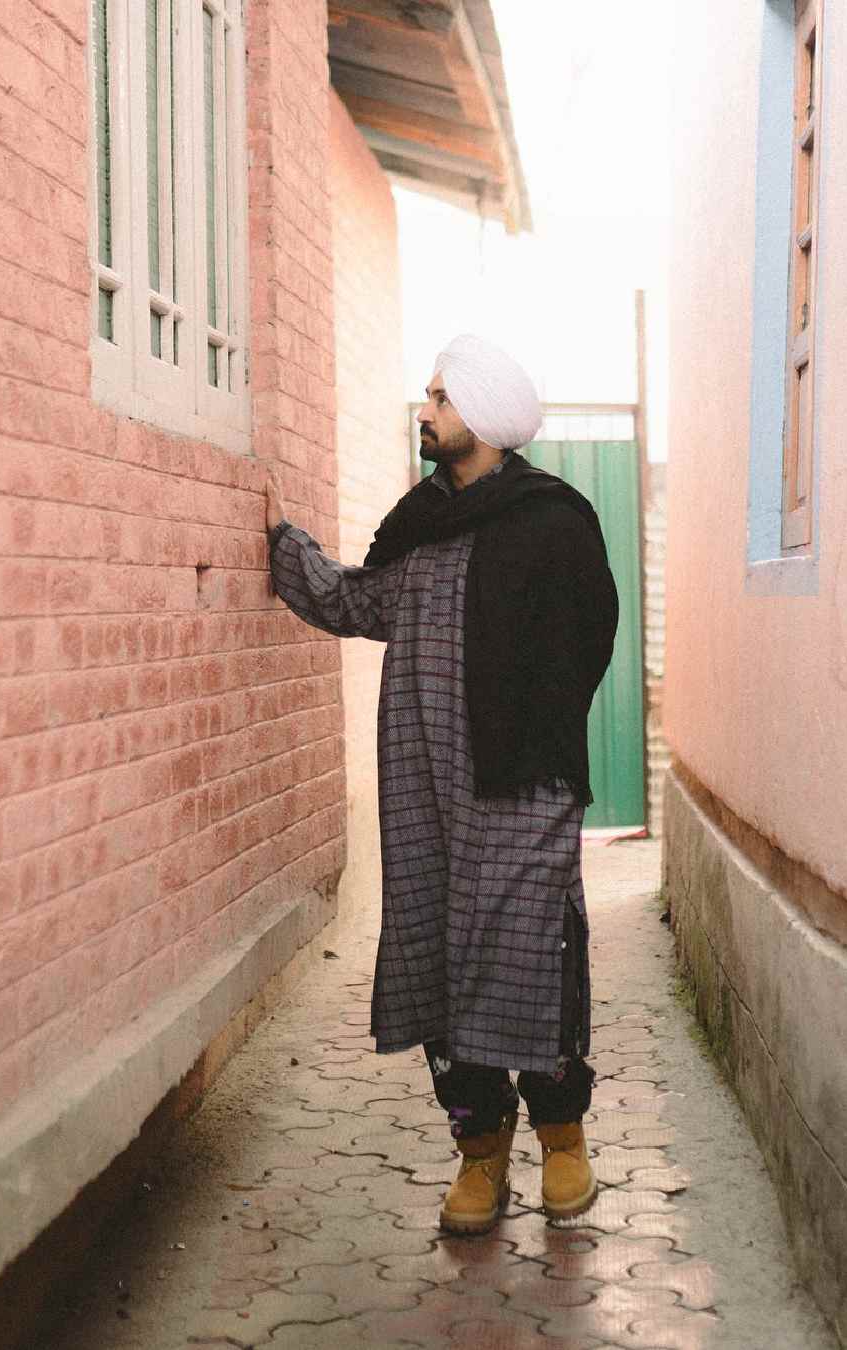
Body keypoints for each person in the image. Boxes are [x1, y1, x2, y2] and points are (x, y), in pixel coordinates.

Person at [265, 334, 618, 1234]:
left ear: (483, 417)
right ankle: (478, 1156)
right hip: (425, 791)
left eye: (438, 398)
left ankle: (564, 1139)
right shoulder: (420, 525)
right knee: (441, 965)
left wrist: (538, 746)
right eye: (427, 397)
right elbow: (357, 602)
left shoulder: (555, 521)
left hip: (523, 786)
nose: (424, 412)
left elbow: (590, 639)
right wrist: (282, 545)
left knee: (530, 956)